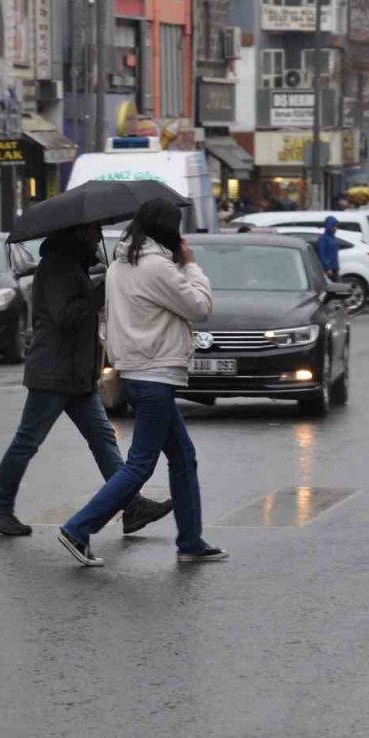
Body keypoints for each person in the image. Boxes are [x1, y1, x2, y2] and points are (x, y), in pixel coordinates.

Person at [0, 223, 173, 537]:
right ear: (78, 234)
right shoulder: (56, 267)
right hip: (53, 372)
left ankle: (131, 505)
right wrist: (102, 291)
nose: (97, 236)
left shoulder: (73, 265)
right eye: (93, 231)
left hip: (77, 374)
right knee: (27, 442)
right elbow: (65, 317)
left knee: (103, 439)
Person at [58, 200, 227, 567]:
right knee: (140, 465)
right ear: (167, 229)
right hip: (155, 374)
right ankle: (78, 528)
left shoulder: (122, 264)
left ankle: (191, 540)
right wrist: (192, 265)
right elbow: (200, 307)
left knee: (183, 457)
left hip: (136, 371)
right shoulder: (156, 267)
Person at [317, 215, 340, 281]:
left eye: (336, 226)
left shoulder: (334, 238)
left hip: (335, 267)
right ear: (329, 226)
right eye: (334, 226)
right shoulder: (323, 239)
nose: (335, 228)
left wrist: (337, 267)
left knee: (336, 286)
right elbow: (322, 254)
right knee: (330, 287)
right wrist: (327, 268)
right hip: (328, 269)